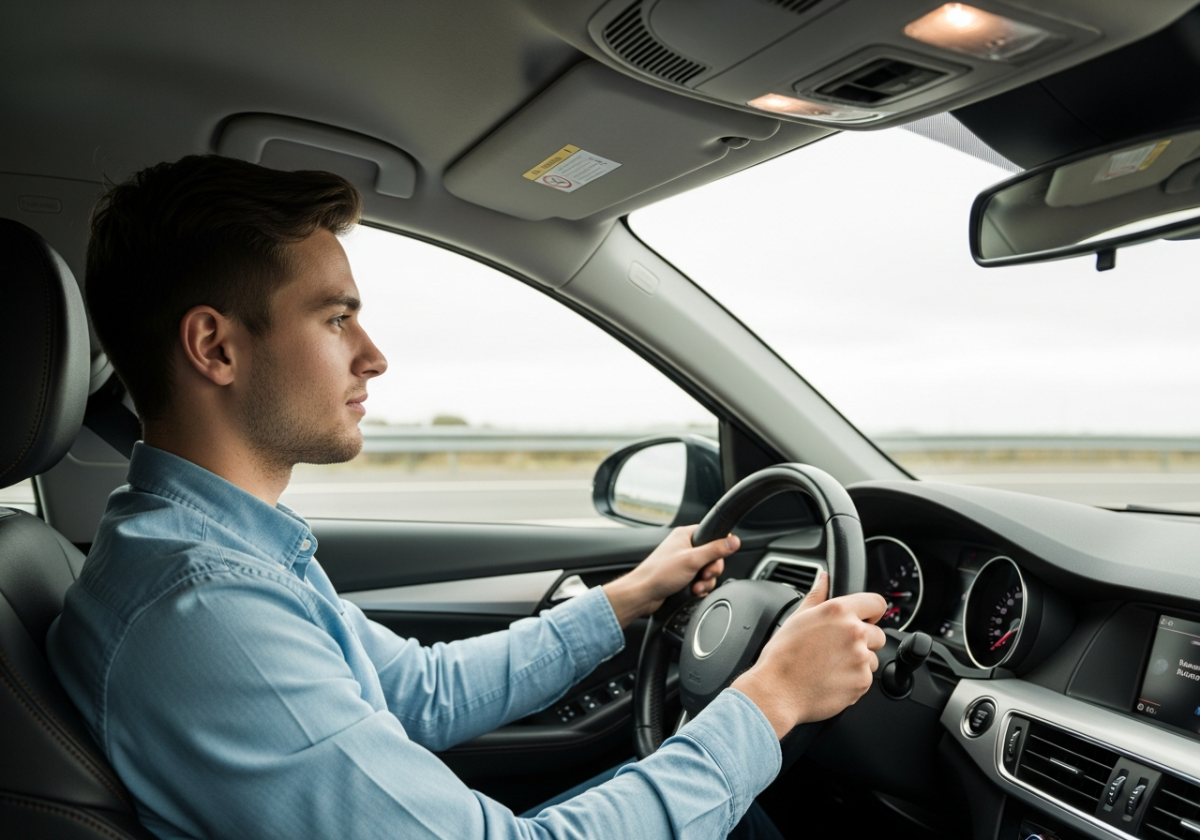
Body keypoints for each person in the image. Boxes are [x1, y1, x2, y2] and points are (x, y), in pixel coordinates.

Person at [47, 155, 888, 840]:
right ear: (215, 348)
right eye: (336, 318)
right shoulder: (205, 612)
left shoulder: (209, 550)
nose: (373, 356)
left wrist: (625, 601)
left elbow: (416, 693)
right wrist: (768, 700)